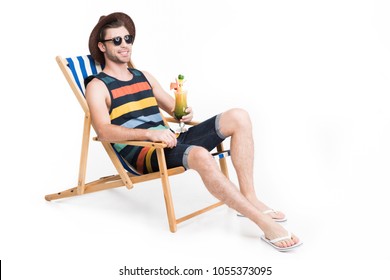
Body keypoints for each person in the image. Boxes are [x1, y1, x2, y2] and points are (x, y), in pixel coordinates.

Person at [85, 12, 301, 251]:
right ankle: (262, 223)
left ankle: (249, 197)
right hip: (146, 153)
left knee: (239, 116)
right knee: (198, 154)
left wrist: (183, 113)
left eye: (128, 39)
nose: (125, 45)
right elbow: (104, 131)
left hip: (171, 141)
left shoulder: (143, 76)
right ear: (101, 46)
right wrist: (149, 134)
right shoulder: (98, 86)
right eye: (116, 40)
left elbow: (174, 110)